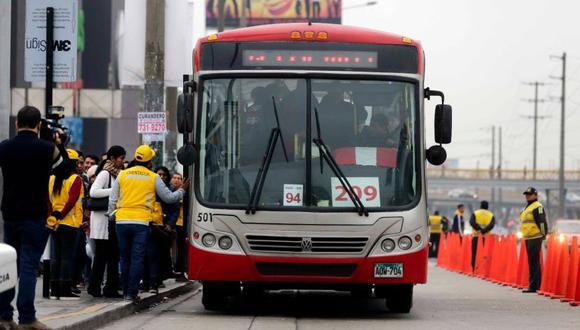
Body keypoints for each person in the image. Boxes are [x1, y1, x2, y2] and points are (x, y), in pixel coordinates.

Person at [0, 106, 69, 330]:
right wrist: (56, 142)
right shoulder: (47, 148)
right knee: (29, 266)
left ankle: (4, 316)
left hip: (10, 215)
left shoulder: (5, 147)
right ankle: (27, 318)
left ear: (16, 123)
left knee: (9, 267)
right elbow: (65, 171)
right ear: (39, 125)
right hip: (35, 215)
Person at [108, 145, 186, 302]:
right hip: (141, 222)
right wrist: (182, 190)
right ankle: (131, 293)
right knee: (137, 258)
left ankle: (125, 292)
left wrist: (111, 216)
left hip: (122, 221)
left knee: (124, 258)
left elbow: (113, 198)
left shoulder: (122, 174)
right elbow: (169, 198)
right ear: (149, 161)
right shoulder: (153, 177)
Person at [87, 146, 126, 298]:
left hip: (112, 220)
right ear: (113, 158)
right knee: (103, 256)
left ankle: (107, 287)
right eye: (121, 158)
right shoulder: (105, 174)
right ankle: (97, 287)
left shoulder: (119, 175)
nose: (122, 162)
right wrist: (115, 191)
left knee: (110, 256)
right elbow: (93, 192)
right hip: (102, 221)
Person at [47, 149, 85, 300]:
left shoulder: (51, 178)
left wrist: (53, 216)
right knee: (66, 258)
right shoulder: (75, 179)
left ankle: (54, 288)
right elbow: (71, 201)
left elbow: (48, 200)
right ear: (74, 163)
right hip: (70, 223)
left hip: (54, 223)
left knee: (56, 256)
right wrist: (60, 215)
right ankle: (64, 288)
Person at [520, 187, 548, 293]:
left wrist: (543, 233)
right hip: (529, 237)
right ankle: (536, 284)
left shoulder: (537, 206)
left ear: (535, 195)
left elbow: (541, 222)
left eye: (530, 194)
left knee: (533, 262)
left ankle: (533, 286)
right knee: (533, 262)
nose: (527, 196)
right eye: (526, 194)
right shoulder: (528, 207)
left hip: (535, 237)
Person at [170, 173, 187, 281]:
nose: (176, 180)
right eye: (174, 178)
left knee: (181, 247)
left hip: (181, 223)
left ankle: (179, 269)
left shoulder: (184, 193)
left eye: (179, 178)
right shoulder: (168, 192)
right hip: (171, 222)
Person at [469, 201, 495, 271]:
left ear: (480, 206)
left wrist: (479, 229)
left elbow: (471, 222)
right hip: (486, 237)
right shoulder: (491, 215)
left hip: (476, 236)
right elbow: (492, 225)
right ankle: (484, 269)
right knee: (485, 254)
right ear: (487, 206)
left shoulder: (475, 213)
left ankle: (474, 268)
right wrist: (484, 230)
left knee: (474, 253)